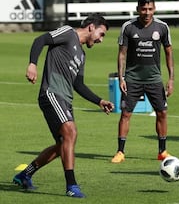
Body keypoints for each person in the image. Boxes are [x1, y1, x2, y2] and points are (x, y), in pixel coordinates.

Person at [13, 13, 114, 198]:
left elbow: (78, 85)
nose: (101, 40)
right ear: (91, 27)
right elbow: (40, 39)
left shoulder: (81, 55)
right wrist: (32, 64)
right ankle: (71, 186)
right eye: (102, 34)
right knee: (71, 132)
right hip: (51, 93)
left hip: (65, 99)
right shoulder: (68, 33)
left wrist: (99, 101)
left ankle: (25, 175)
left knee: (62, 146)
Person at [111, 0, 174, 163]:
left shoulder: (162, 27)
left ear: (155, 9)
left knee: (162, 113)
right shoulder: (128, 27)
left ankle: (162, 151)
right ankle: (120, 152)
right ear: (138, 9)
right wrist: (121, 77)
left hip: (154, 79)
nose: (147, 12)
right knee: (125, 114)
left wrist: (171, 79)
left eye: (150, 9)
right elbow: (122, 54)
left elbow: (169, 53)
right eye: (144, 9)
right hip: (132, 79)